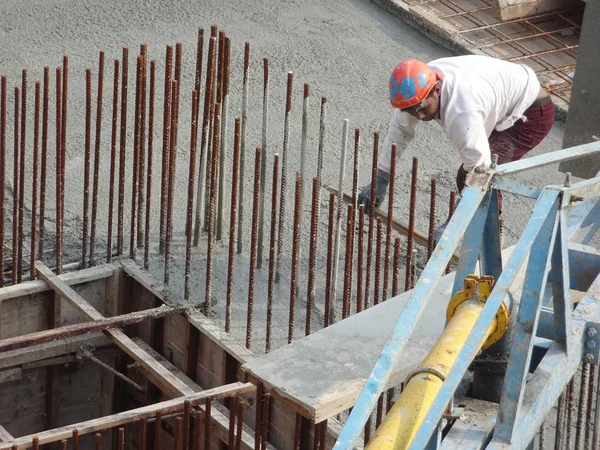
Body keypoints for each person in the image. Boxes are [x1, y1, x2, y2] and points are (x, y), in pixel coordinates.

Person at [358, 55, 555, 228]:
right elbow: (399, 130)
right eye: (410, 110)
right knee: (470, 174)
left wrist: (453, 226)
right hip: (498, 96)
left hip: (532, 112)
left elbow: (482, 170)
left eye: (421, 108)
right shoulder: (415, 91)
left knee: (476, 177)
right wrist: (381, 178)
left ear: (436, 89)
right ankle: (479, 231)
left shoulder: (461, 111)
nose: (417, 116)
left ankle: (489, 242)